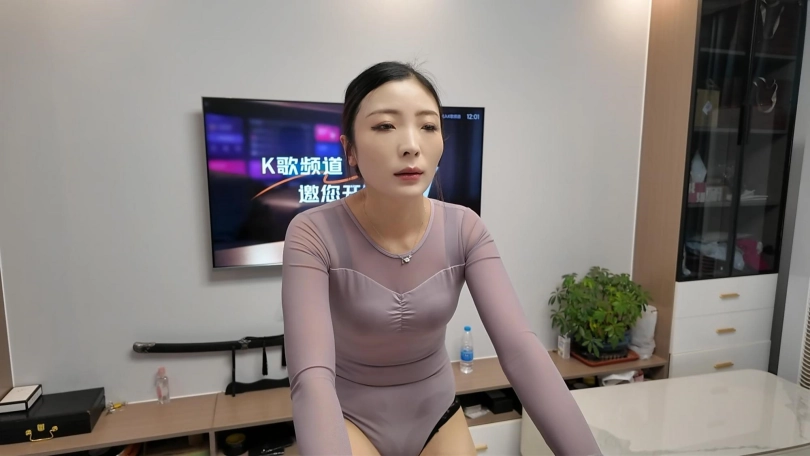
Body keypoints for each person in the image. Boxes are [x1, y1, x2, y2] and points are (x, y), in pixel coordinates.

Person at [281, 61, 602, 456]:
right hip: (345, 419)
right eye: (385, 126)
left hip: (436, 417)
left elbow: (520, 349)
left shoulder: (465, 227)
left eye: (428, 126)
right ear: (350, 150)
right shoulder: (312, 232)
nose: (410, 145)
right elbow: (311, 378)